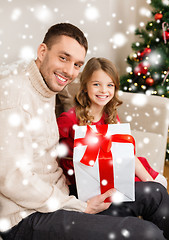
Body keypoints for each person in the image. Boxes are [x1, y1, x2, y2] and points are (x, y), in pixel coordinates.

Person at [0, 23, 169, 240]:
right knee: (146, 234)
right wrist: (79, 206)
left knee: (154, 193)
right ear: (42, 52)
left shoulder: (45, 85)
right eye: (63, 58)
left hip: (60, 197)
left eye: (77, 64)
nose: (70, 71)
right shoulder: (14, 94)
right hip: (26, 216)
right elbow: (12, 179)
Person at [57, 57, 167, 190]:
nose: (104, 90)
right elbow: (51, 153)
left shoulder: (109, 116)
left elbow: (125, 154)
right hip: (86, 180)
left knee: (159, 182)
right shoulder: (69, 119)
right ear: (85, 87)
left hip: (113, 170)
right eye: (96, 84)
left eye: (110, 85)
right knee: (150, 190)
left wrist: (149, 181)